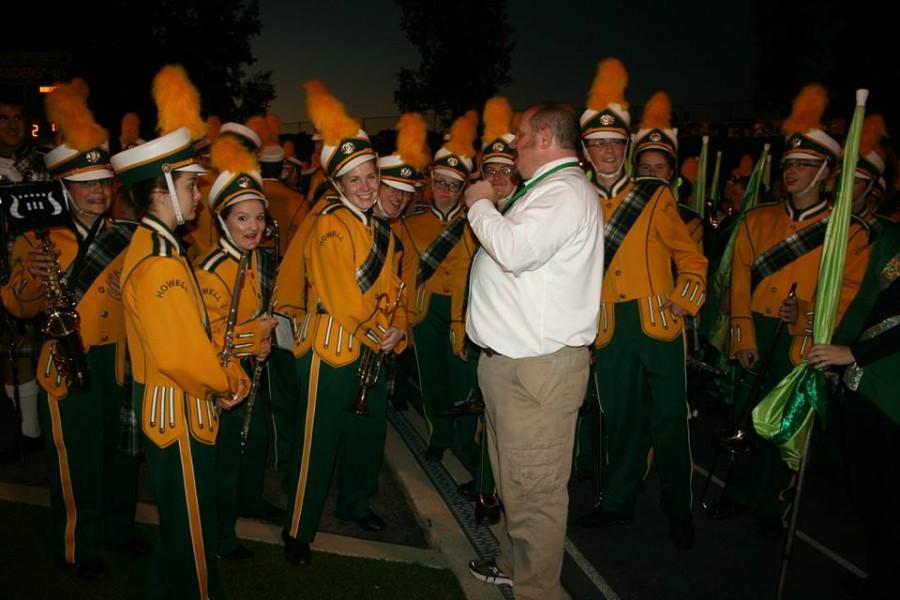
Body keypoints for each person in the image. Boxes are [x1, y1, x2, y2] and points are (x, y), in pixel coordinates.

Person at [110, 64, 250, 600]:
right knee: (191, 532)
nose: (199, 192)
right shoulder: (163, 261)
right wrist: (227, 382)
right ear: (164, 188)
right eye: (191, 183)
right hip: (182, 407)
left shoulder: (159, 248)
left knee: (181, 531)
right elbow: (183, 354)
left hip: (176, 404)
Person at [1, 79, 148, 578]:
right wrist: (32, 277)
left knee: (119, 455)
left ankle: (118, 531)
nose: (98, 192)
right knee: (77, 459)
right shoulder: (41, 237)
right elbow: (17, 307)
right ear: (63, 187)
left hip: (121, 360)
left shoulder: (128, 236)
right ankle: (77, 546)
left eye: (104, 182)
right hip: (67, 358)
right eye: (86, 183)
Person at [713, 84, 868, 537]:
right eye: (789, 164)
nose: (793, 172)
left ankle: (770, 505)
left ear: (824, 172)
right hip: (756, 329)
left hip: (803, 338)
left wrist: (805, 316)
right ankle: (737, 494)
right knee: (744, 417)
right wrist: (742, 336)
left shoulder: (848, 233)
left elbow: (851, 292)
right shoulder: (758, 218)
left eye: (804, 165)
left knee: (784, 425)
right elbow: (739, 280)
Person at [463, 102, 604, 600]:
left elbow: (515, 252)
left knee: (534, 496)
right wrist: (501, 204)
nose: (514, 144)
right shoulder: (549, 192)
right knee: (516, 486)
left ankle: (538, 591)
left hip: (535, 372)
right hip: (517, 368)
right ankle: (520, 570)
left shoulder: (565, 191)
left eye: (521, 135)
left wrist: (479, 203)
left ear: (544, 137)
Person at [576, 62, 707, 550]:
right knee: (621, 420)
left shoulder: (654, 194)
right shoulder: (576, 198)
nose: (607, 151)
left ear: (625, 148)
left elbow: (691, 258)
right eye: (598, 143)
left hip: (658, 323)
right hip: (608, 327)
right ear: (586, 151)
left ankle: (679, 509)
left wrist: (683, 300)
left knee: (670, 420)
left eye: (615, 143)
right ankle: (617, 503)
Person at [281, 81, 406, 566]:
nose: (365, 186)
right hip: (330, 349)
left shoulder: (381, 229)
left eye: (370, 176)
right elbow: (342, 297)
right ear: (336, 184)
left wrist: (396, 327)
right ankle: (298, 530)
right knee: (318, 441)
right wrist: (383, 335)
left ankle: (356, 505)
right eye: (353, 179)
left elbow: (390, 289)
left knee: (366, 437)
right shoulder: (330, 222)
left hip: (371, 345)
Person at [194, 136, 278, 561]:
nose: (253, 227)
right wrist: (256, 334)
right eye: (242, 217)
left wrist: (261, 336)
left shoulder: (256, 259)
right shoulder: (212, 269)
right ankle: (220, 539)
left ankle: (250, 503)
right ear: (222, 219)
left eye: (259, 218)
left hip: (249, 370)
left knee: (255, 440)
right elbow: (208, 339)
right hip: (220, 377)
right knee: (223, 463)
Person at [807, 220, 900, 600]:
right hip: (866, 382)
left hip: (892, 388)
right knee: (868, 493)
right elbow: (868, 301)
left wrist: (854, 352)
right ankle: (880, 577)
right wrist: (839, 347)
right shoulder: (892, 239)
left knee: (890, 497)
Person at [404, 111, 480, 466]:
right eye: (441, 183)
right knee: (432, 377)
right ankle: (439, 433)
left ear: (464, 188)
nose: (446, 191)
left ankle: (469, 438)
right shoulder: (410, 222)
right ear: (430, 182)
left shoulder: (478, 222)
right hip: (425, 309)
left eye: (454, 185)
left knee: (463, 378)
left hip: (464, 311)